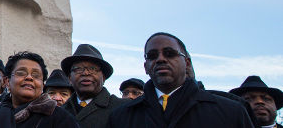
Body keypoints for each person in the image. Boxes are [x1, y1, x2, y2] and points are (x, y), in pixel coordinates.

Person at [107, 32, 254, 128]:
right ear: (146, 67)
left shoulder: (231, 112)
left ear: (187, 63)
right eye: (152, 56)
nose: (160, 59)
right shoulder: (121, 117)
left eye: (170, 53)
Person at [0, 51, 80, 128]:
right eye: (21, 73)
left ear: (42, 85)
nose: (29, 78)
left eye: (36, 75)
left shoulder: (61, 118)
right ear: (7, 81)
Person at [60, 44, 126, 128]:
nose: (86, 73)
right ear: (69, 78)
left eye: (93, 69)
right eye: (78, 69)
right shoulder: (58, 112)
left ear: (104, 78)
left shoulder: (122, 108)